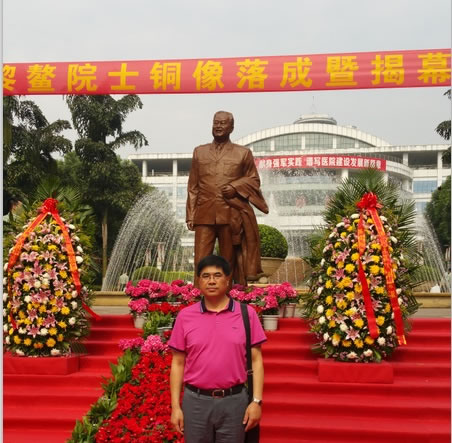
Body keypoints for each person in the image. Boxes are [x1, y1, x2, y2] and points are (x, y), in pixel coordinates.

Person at [169, 255, 266, 442]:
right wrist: (175, 407)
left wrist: (256, 401)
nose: (211, 281)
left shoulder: (246, 314)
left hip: (234, 401)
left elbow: (256, 360)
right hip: (195, 402)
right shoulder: (185, 316)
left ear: (228, 279)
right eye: (205, 276)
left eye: (217, 275)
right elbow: (178, 363)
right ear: (198, 281)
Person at [186, 111, 269, 286]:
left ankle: (228, 295)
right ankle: (198, 295)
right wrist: (190, 215)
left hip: (231, 214)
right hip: (204, 214)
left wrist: (235, 186)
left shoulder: (243, 153)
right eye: (216, 122)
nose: (218, 126)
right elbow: (193, 187)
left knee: (228, 261)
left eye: (223, 123)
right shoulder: (199, 152)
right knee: (200, 260)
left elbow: (254, 180)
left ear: (231, 127)